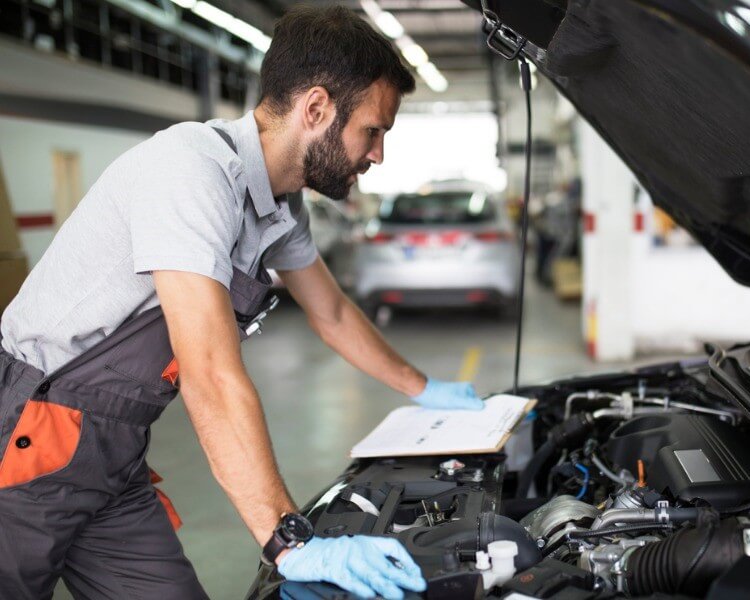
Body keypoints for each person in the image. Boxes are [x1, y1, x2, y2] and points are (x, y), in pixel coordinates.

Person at [0, 6, 480, 599]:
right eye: (373, 131)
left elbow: (330, 313)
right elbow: (210, 374)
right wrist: (290, 542)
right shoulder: (192, 172)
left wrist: (425, 389)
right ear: (316, 109)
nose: (377, 154)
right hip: (28, 437)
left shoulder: (281, 206)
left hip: (115, 456)